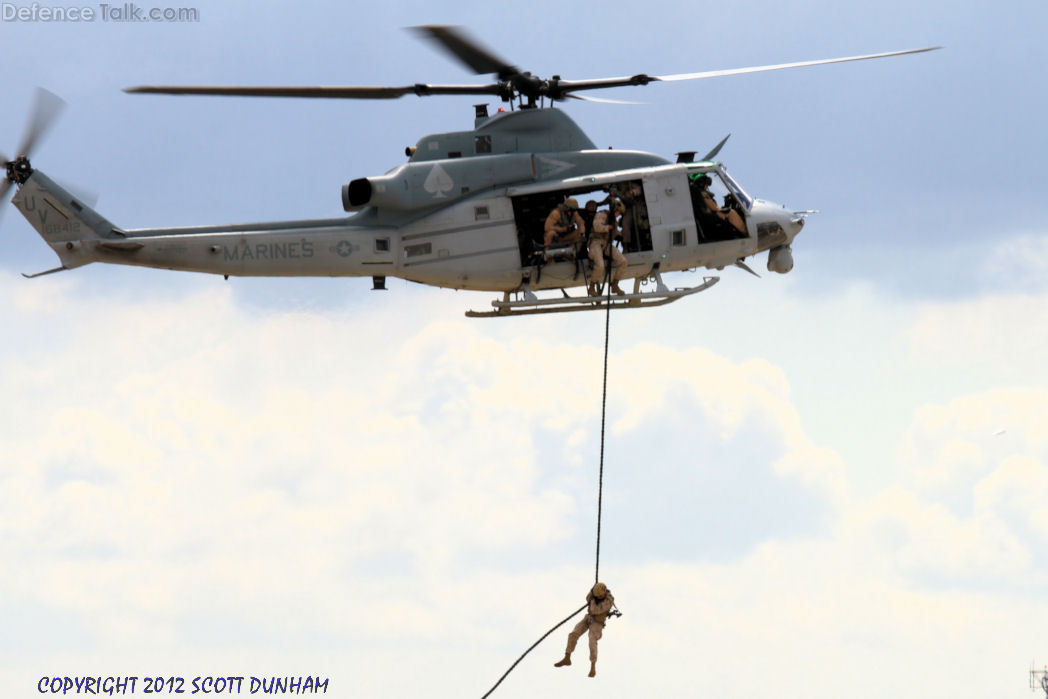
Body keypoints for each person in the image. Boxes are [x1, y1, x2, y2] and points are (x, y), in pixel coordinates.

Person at [553, 582, 615, 678]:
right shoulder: (595, 595)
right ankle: (567, 657)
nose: (598, 597)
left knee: (592, 641)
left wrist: (593, 599)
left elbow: (595, 610)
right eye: (597, 596)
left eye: (599, 596)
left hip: (597, 623)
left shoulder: (609, 600)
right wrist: (592, 592)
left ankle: (593, 666)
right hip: (589, 618)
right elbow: (587, 598)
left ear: (604, 593)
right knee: (573, 634)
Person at [587, 200, 627, 296]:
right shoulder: (602, 214)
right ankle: (591, 288)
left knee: (623, 262)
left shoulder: (614, 221)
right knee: (600, 266)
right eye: (618, 212)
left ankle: (615, 285)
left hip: (606, 244)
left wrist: (621, 236)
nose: (618, 215)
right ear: (614, 209)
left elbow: (616, 232)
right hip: (595, 243)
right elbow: (596, 226)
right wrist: (607, 227)